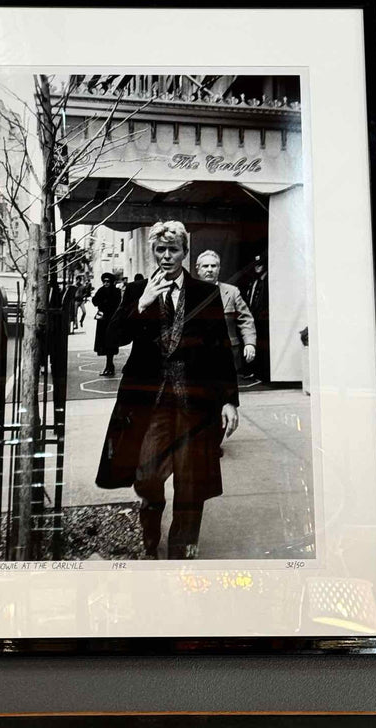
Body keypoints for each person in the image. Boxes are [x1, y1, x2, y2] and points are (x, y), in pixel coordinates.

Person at [95, 221, 239, 560]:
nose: (166, 256)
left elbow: (220, 349)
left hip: (194, 405)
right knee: (146, 474)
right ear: (153, 252)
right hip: (151, 403)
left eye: (173, 250)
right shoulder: (137, 292)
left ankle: (182, 552)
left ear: (184, 253)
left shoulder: (206, 293)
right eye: (160, 250)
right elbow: (112, 338)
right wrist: (142, 304)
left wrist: (229, 400)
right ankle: (150, 523)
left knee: (191, 485)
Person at [194, 250, 256, 373]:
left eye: (214, 266)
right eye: (205, 266)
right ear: (198, 269)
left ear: (219, 268)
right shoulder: (190, 293)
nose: (210, 269)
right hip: (198, 351)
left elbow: (246, 320)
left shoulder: (232, 292)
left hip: (228, 351)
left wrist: (250, 343)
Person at [244, 253, 270, 383]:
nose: (257, 268)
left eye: (260, 265)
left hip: (263, 320)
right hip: (253, 318)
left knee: (263, 345)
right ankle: (254, 371)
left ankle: (263, 374)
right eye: (255, 265)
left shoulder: (268, 282)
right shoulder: (254, 281)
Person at [92, 272, 121, 376]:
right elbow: (94, 301)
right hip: (103, 322)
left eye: (108, 281)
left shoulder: (116, 292)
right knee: (104, 344)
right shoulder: (101, 290)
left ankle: (110, 366)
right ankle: (109, 366)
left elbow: (117, 305)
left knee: (111, 344)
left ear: (112, 282)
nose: (106, 283)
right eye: (104, 281)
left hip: (112, 321)